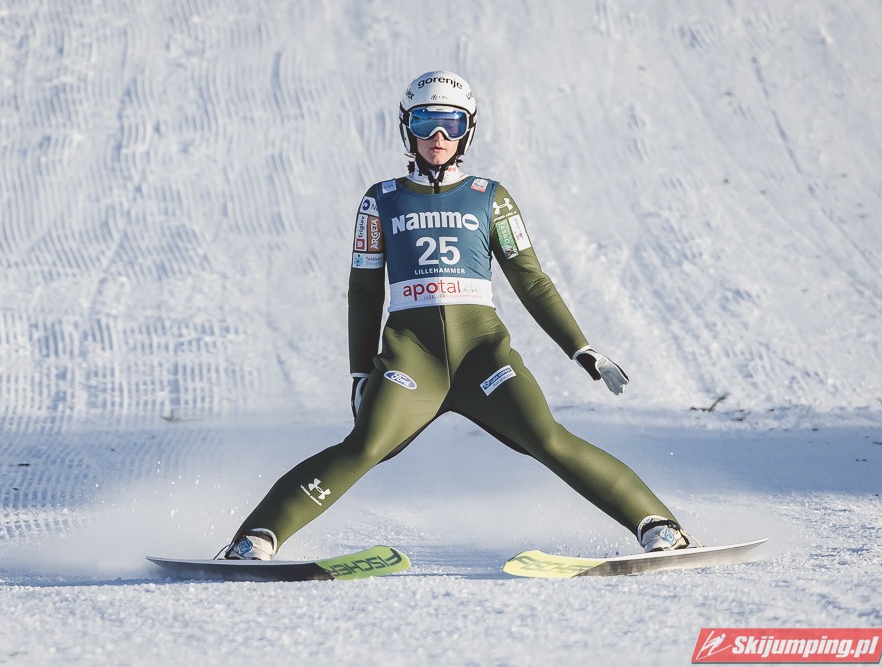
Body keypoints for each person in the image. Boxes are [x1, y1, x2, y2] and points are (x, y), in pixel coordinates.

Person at [217, 70, 694, 561]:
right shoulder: (380, 199)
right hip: (412, 361)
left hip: (483, 358)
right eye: (425, 122)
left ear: (468, 130)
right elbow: (364, 290)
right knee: (365, 445)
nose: (438, 136)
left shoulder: (492, 197)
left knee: (547, 438)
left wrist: (580, 348)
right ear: (407, 128)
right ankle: (255, 538)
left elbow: (531, 280)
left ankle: (659, 526)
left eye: (452, 122)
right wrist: (360, 373)